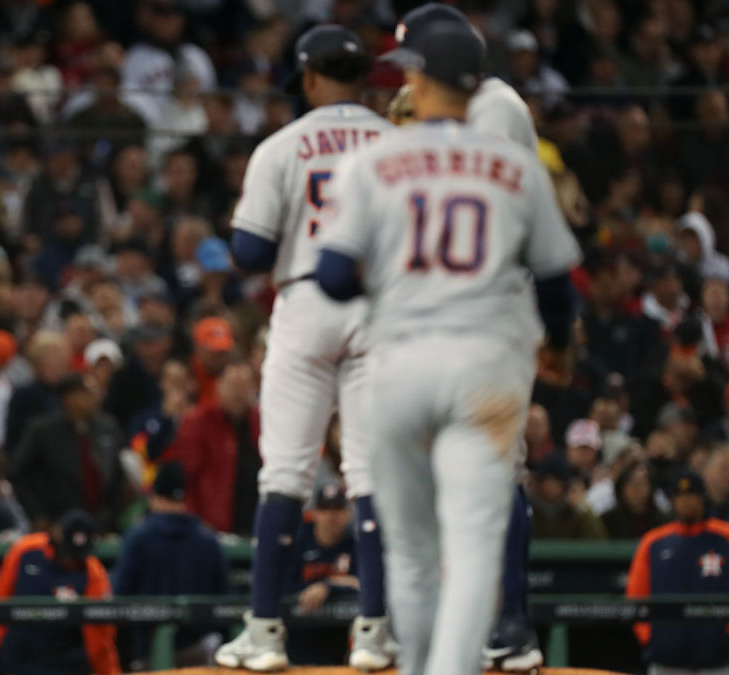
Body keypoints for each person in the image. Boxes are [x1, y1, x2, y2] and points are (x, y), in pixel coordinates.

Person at [314, 18, 579, 675]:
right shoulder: (518, 167)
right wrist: (561, 349)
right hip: (486, 365)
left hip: (400, 364)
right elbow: (556, 283)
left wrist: (386, 272)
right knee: (474, 540)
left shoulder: (374, 159)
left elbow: (332, 275)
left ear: (425, 81)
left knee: (408, 549)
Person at [383, 5, 563, 670]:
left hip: (490, 303)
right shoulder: (476, 103)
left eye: (414, 60)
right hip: (454, 304)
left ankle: (512, 621)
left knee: (495, 469)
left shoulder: (494, 106)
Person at [215, 22, 394, 673]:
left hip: (306, 299)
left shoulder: (283, 145)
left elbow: (252, 254)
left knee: (285, 473)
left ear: (311, 78)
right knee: (371, 473)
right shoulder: (399, 143)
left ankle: (264, 631)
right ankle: (374, 632)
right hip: (379, 306)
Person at [627, 470, 729, 675]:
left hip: (719, 660)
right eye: (679, 497)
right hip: (667, 660)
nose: (685, 502)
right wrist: (651, 638)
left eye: (691, 496)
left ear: (702, 498)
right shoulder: (653, 542)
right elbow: (636, 597)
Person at [114, 462, 230, 669]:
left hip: (148, 655)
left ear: (155, 496)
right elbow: (224, 599)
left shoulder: (139, 538)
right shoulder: (208, 540)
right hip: (199, 655)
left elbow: (120, 596)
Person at [0, 510, 119, 675]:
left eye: (77, 555)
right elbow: (0, 595)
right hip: (19, 655)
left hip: (64, 661)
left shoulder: (92, 570)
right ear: (57, 534)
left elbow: (99, 634)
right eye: (69, 552)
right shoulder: (26, 549)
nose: (72, 560)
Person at [10, 374, 130, 532]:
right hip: (57, 522)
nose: (96, 397)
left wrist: (115, 514)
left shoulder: (108, 427)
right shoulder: (43, 431)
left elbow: (118, 474)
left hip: (103, 524)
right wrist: (37, 515)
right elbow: (17, 473)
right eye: (88, 392)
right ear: (69, 398)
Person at [164, 362, 261, 534]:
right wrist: (196, 522)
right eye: (232, 386)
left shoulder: (261, 422)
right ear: (219, 386)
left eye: (243, 386)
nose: (237, 393)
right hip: (209, 528)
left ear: (254, 389)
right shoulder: (198, 422)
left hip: (253, 524)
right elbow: (186, 476)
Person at [284, 484, 360, 666]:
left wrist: (328, 587)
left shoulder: (356, 546)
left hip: (340, 645)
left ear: (347, 513)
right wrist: (336, 584)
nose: (331, 516)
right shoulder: (298, 544)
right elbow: (283, 588)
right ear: (314, 512)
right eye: (325, 509)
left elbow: (365, 586)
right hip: (296, 642)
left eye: (338, 509)